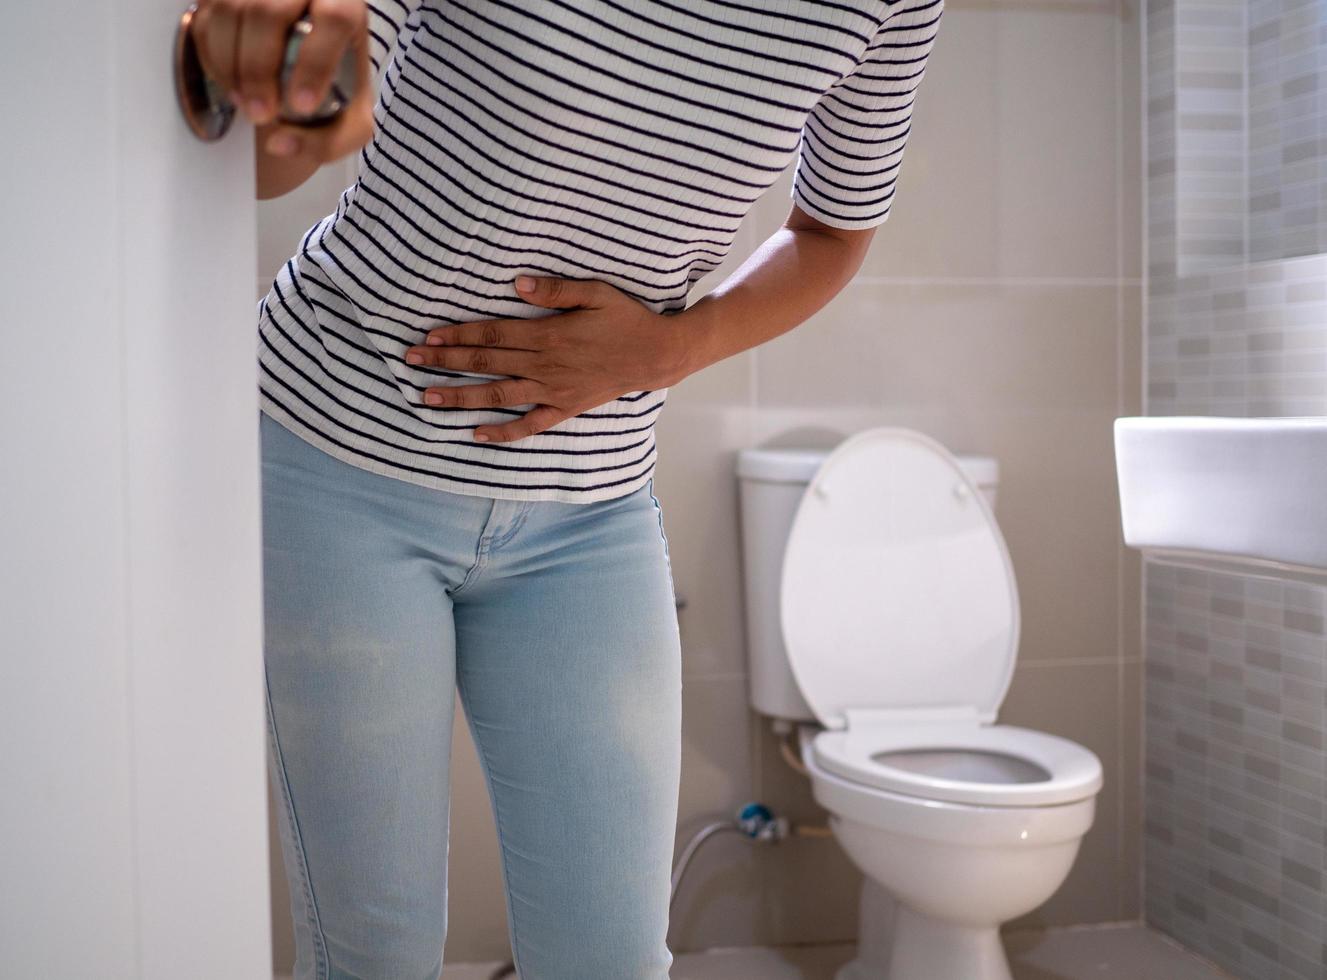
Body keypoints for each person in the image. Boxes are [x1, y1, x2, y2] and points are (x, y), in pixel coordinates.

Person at [191, 0, 943, 976]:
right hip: (340, 459)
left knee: (612, 957)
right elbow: (280, 133)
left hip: (590, 508)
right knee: (372, 950)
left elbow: (834, 228)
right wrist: (281, 81)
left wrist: (674, 344)